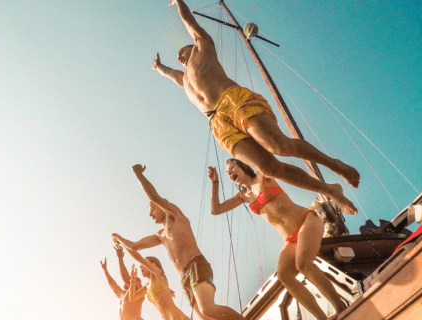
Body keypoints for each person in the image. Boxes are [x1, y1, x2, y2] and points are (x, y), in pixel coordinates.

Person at [152, 0, 359, 215]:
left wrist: (179, 2)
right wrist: (159, 67)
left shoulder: (202, 45)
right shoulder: (184, 79)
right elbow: (170, 74)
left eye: (181, 51)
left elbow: (188, 19)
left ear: (191, 44)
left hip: (232, 100)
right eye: (177, 57)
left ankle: (334, 164)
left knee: (278, 145)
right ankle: (329, 190)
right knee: (267, 168)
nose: (179, 56)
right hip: (219, 125)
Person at [113, 164, 279, 320]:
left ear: (159, 206)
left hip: (197, 265)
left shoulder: (175, 217)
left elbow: (153, 195)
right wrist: (119, 240)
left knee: (208, 308)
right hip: (185, 279)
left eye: (151, 209)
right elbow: (134, 246)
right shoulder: (160, 235)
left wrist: (138, 175)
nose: (151, 214)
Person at [209, 160, 348, 320]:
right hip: (290, 239)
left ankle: (339, 305)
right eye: (227, 173)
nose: (230, 174)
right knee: (284, 275)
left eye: (232, 169)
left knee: (303, 265)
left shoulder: (263, 175)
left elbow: (260, 156)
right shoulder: (243, 196)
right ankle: (321, 318)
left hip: (306, 221)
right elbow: (216, 210)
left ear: (243, 166)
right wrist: (215, 183)